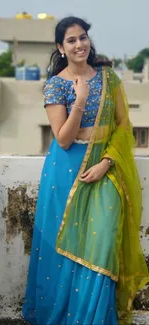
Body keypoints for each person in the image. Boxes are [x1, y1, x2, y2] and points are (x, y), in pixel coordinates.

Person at [22, 16, 149, 325]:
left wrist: (107, 163)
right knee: (64, 247)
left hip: (106, 166)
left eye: (83, 37)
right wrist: (79, 99)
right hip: (67, 171)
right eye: (71, 40)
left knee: (103, 241)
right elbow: (63, 139)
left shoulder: (110, 78)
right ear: (60, 48)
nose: (79, 44)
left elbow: (123, 128)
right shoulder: (55, 85)